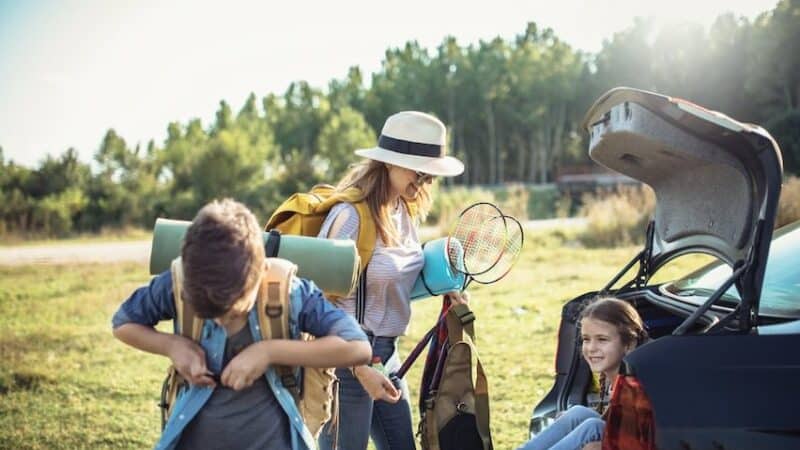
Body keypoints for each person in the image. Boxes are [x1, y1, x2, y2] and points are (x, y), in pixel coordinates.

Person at [111, 199, 371, 450]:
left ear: (259, 274)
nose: (220, 321)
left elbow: (357, 347)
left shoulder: (288, 292)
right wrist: (171, 345)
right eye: (207, 314)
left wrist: (268, 352)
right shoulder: (179, 281)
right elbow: (123, 323)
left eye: (233, 312)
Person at [317, 111, 467, 450]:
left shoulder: (403, 212)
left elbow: (390, 281)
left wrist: (447, 292)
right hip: (348, 359)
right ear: (390, 163)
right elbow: (319, 302)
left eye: (431, 176)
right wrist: (358, 367)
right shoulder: (349, 216)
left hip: (388, 355)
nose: (426, 181)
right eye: (421, 171)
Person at [517, 297, 648, 450]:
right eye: (586, 339)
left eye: (602, 339)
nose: (591, 348)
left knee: (593, 427)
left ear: (629, 344)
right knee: (578, 413)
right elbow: (615, 420)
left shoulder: (637, 387)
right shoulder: (616, 377)